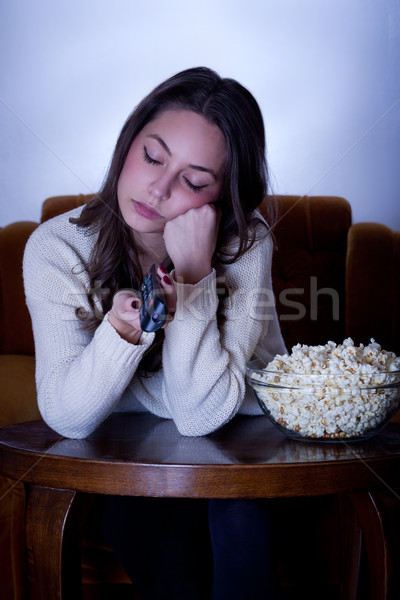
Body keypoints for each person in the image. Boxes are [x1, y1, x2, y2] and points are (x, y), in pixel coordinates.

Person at [23, 66, 286, 599]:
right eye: (152, 156)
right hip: (134, 464)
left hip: (241, 446)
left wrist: (193, 281)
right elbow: (68, 414)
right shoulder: (56, 248)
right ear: (128, 142)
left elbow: (201, 414)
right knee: (134, 515)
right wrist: (121, 331)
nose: (159, 189)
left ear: (222, 196)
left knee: (241, 513)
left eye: (193, 181)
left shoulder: (246, 241)